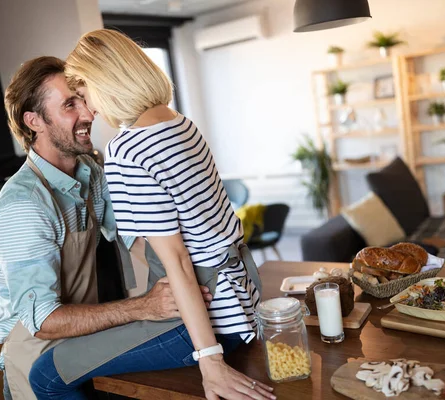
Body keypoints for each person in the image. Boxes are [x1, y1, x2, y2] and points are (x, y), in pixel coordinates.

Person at [28, 29, 275, 400]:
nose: (89, 109)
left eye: (85, 93)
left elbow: (177, 262)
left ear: (106, 81)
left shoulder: (127, 150)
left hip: (206, 320)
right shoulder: (181, 124)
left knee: (46, 374)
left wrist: (210, 363)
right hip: (241, 302)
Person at [0, 56, 215, 399]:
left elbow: (138, 234)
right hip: (36, 362)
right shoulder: (24, 206)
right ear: (34, 121)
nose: (89, 114)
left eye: (83, 98)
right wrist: (145, 307)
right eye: (69, 105)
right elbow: (44, 322)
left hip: (82, 349)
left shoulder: (89, 172)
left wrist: (186, 281)